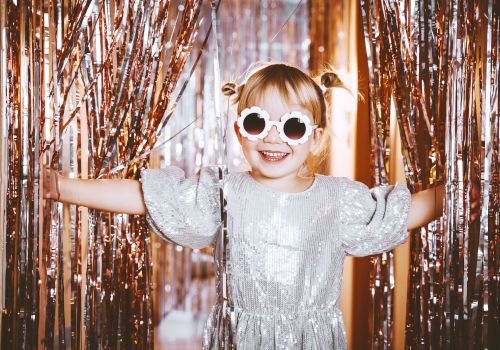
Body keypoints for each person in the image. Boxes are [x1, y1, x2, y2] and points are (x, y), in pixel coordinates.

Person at [42, 63, 473, 349]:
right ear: (239, 130)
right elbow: (145, 196)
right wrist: (63, 187)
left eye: (292, 126)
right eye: (256, 122)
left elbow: (400, 212)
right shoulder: (225, 192)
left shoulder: (338, 199)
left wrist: (466, 189)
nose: (273, 138)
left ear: (316, 137)